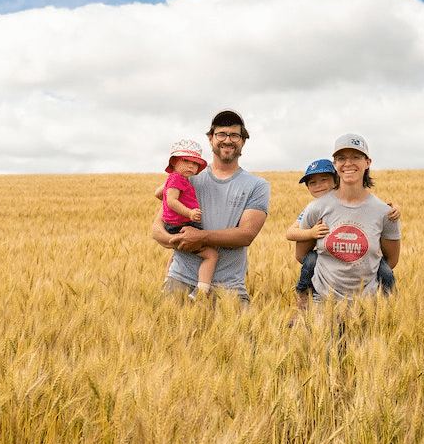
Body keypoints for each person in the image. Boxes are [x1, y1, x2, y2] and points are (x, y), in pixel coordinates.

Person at [151, 110, 270, 303]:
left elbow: (246, 235)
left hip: (229, 288)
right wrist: (175, 240)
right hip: (179, 281)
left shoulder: (257, 185)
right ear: (210, 139)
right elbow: (157, 228)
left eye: (234, 135)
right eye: (221, 134)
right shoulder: (188, 178)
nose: (228, 140)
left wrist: (200, 237)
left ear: (243, 141)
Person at [295, 134, 401, 301]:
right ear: (335, 164)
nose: (348, 163)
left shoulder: (385, 212)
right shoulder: (316, 208)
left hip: (368, 308)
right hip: (322, 307)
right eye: (341, 158)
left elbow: (391, 261)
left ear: (368, 162)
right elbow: (302, 256)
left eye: (356, 157)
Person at [157, 139, 220, 298]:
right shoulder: (176, 179)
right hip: (181, 225)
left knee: (176, 254)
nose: (191, 166)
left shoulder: (179, 180)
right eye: (186, 161)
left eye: (195, 163)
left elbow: (161, 195)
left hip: (177, 224)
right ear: (174, 162)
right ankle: (201, 291)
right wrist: (189, 213)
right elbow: (171, 201)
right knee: (211, 255)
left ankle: (167, 281)